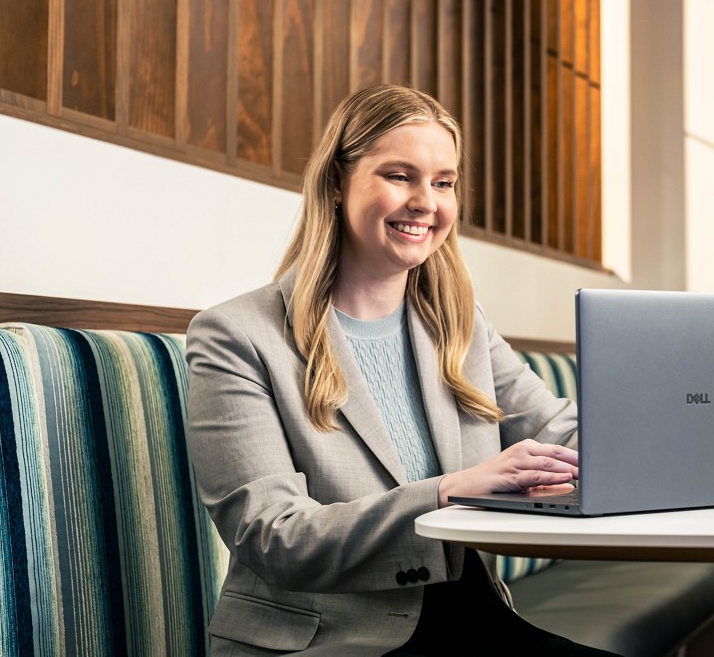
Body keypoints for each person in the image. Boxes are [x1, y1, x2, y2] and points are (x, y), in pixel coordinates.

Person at [187, 84, 618, 656]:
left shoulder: (459, 326)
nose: (426, 201)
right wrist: (445, 493)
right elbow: (272, 536)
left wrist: (669, 446)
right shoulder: (236, 335)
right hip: (333, 642)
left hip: (474, 619)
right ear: (337, 184)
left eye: (443, 182)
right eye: (399, 175)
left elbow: (557, 430)